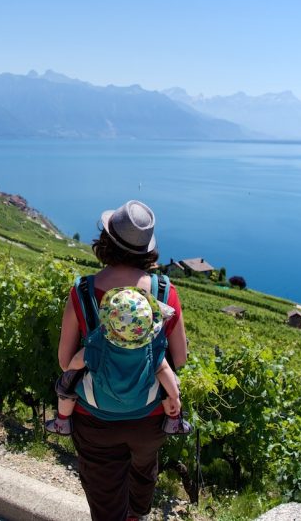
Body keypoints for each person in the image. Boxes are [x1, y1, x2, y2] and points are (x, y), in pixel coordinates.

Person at [56, 200, 189, 521]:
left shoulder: (83, 291)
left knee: (104, 494)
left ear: (106, 240)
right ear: (146, 249)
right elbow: (180, 359)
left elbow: (64, 361)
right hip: (151, 415)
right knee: (143, 470)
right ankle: (136, 515)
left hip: (95, 416)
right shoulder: (163, 292)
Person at [45, 287, 192, 436]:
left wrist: (69, 373)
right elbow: (164, 369)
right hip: (142, 401)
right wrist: (174, 395)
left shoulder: (99, 341)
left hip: (97, 401)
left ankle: (62, 421)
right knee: (170, 383)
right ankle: (173, 420)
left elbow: (77, 360)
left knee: (66, 386)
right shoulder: (150, 347)